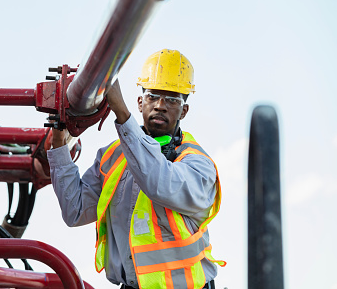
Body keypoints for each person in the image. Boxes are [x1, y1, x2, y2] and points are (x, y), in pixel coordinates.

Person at [47, 49, 226, 289]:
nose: (160, 106)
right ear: (141, 102)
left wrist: (122, 113)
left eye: (172, 99)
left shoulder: (197, 164)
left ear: (184, 110)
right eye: (152, 96)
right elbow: (75, 211)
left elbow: (158, 182)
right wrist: (58, 145)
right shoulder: (112, 156)